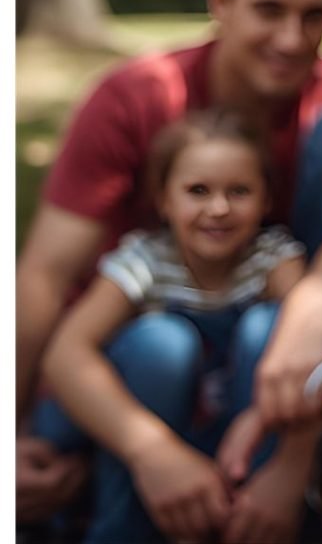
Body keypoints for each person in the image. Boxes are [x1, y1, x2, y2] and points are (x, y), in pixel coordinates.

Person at [16, 0, 322, 541]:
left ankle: (305, 496)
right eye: (269, 9)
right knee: (161, 350)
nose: (292, 38)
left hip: (272, 367)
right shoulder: (141, 96)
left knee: (276, 319)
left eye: (314, 14)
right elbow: (45, 274)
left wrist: (313, 310)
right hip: (135, 359)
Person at [41, 108, 307, 543]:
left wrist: (265, 418)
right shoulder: (144, 262)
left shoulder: (274, 260)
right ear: (164, 199)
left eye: (239, 191)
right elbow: (66, 353)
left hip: (237, 445)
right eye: (197, 191)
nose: (218, 209)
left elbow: (314, 353)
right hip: (158, 439)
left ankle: (253, 519)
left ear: (265, 201)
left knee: (272, 327)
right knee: (161, 343)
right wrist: (154, 452)